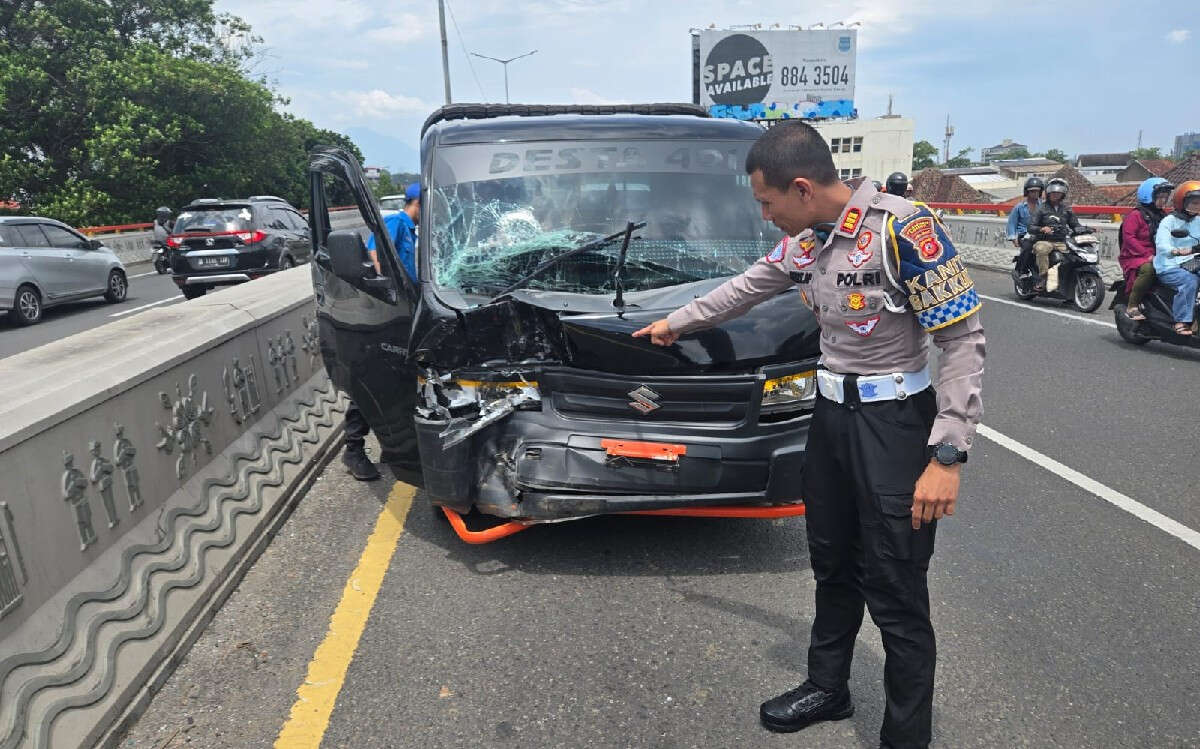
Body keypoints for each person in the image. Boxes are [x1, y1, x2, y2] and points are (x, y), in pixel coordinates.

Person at [633, 121, 985, 749]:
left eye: (767, 203)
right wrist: (673, 324)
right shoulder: (807, 243)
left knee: (897, 585)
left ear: (800, 188)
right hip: (829, 424)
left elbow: (960, 342)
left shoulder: (903, 230)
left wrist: (948, 453)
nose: (765, 216)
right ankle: (829, 686)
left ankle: (907, 736)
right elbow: (743, 290)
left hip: (894, 428)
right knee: (832, 563)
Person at [343, 182, 423, 481]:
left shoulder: (411, 229)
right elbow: (377, 257)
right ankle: (353, 450)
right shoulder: (396, 221)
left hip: (403, 316)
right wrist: (388, 299)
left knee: (396, 382)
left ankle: (395, 447)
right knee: (370, 381)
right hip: (384, 317)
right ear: (417, 202)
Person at [1119, 178, 1173, 320]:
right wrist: (1147, 255)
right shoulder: (1135, 215)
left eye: (1165, 197)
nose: (1163, 200)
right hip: (1135, 256)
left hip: (1158, 255)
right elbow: (1129, 238)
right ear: (1148, 196)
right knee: (1149, 269)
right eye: (1160, 197)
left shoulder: (1163, 216)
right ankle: (1132, 306)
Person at [1153, 180, 1200, 336]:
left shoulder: (1198, 221)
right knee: (1189, 281)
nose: (1197, 206)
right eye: (1193, 202)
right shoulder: (1169, 221)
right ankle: (1181, 320)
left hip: (1192, 261)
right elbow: (1162, 244)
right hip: (1169, 264)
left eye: (1199, 203)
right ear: (1182, 201)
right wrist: (1176, 251)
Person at [1029, 178, 1081, 290]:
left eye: (1058, 193)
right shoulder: (1041, 208)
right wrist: (1042, 228)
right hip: (1045, 241)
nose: (1055, 195)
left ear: (1063, 194)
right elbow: (1031, 227)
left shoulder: (1067, 209)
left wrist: (1088, 229)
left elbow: (1075, 225)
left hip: (1062, 241)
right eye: (1053, 193)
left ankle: (1068, 282)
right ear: (1048, 193)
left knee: (1076, 255)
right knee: (1041, 249)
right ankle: (1043, 277)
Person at [366, 181, 420, 280]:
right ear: (417, 203)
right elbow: (375, 252)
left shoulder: (408, 228)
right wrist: (391, 288)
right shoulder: (396, 221)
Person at [1006, 177, 1044, 275]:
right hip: (1024, 235)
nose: (1035, 193)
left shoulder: (1044, 206)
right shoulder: (1019, 207)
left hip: (1041, 234)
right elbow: (1011, 223)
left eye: (1037, 191)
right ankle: (1020, 270)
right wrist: (1013, 238)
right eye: (1032, 191)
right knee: (1027, 247)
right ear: (1027, 192)